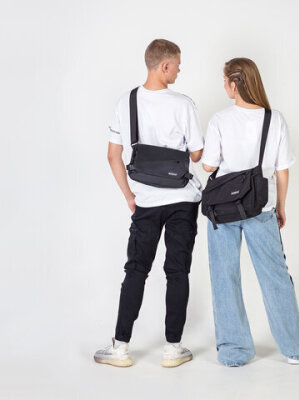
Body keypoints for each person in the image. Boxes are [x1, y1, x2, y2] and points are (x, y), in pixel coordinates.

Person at [94, 39, 204, 368]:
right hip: (183, 199)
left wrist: (129, 195)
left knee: (136, 270)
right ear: (164, 66)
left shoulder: (126, 102)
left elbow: (113, 155)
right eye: (177, 65)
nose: (179, 70)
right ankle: (173, 349)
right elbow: (197, 154)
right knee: (177, 271)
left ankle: (120, 348)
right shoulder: (183, 104)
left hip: (146, 200)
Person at [201, 57, 299, 367]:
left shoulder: (220, 120)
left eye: (225, 81)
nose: (224, 86)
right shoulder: (274, 119)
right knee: (275, 276)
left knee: (225, 278)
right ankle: (294, 349)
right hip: (262, 208)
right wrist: (281, 206)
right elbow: (282, 170)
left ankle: (234, 352)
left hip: (222, 212)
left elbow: (208, 166)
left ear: (234, 85)